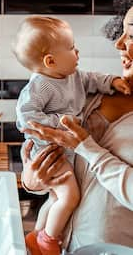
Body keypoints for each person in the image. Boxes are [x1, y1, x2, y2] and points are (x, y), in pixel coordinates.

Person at [13, 16, 130, 255]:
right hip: (64, 248)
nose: (118, 44)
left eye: (132, 35)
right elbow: (62, 167)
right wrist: (32, 181)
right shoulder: (87, 94)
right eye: (122, 32)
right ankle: (44, 238)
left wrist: (87, 147)